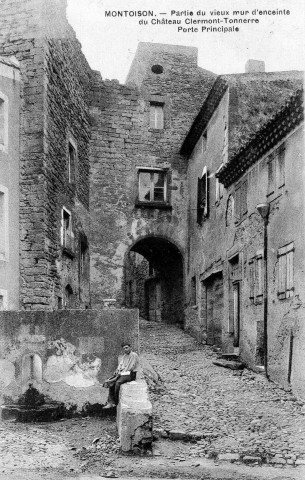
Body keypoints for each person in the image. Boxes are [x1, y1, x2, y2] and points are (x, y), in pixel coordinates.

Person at [103, 342, 140, 408]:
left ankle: (116, 402)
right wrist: (117, 370)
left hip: (131, 374)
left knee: (118, 382)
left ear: (130, 347)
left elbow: (130, 367)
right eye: (124, 348)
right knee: (111, 382)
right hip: (124, 373)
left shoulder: (133, 355)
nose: (125, 349)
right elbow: (121, 364)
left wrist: (121, 373)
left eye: (127, 348)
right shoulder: (125, 356)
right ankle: (110, 402)